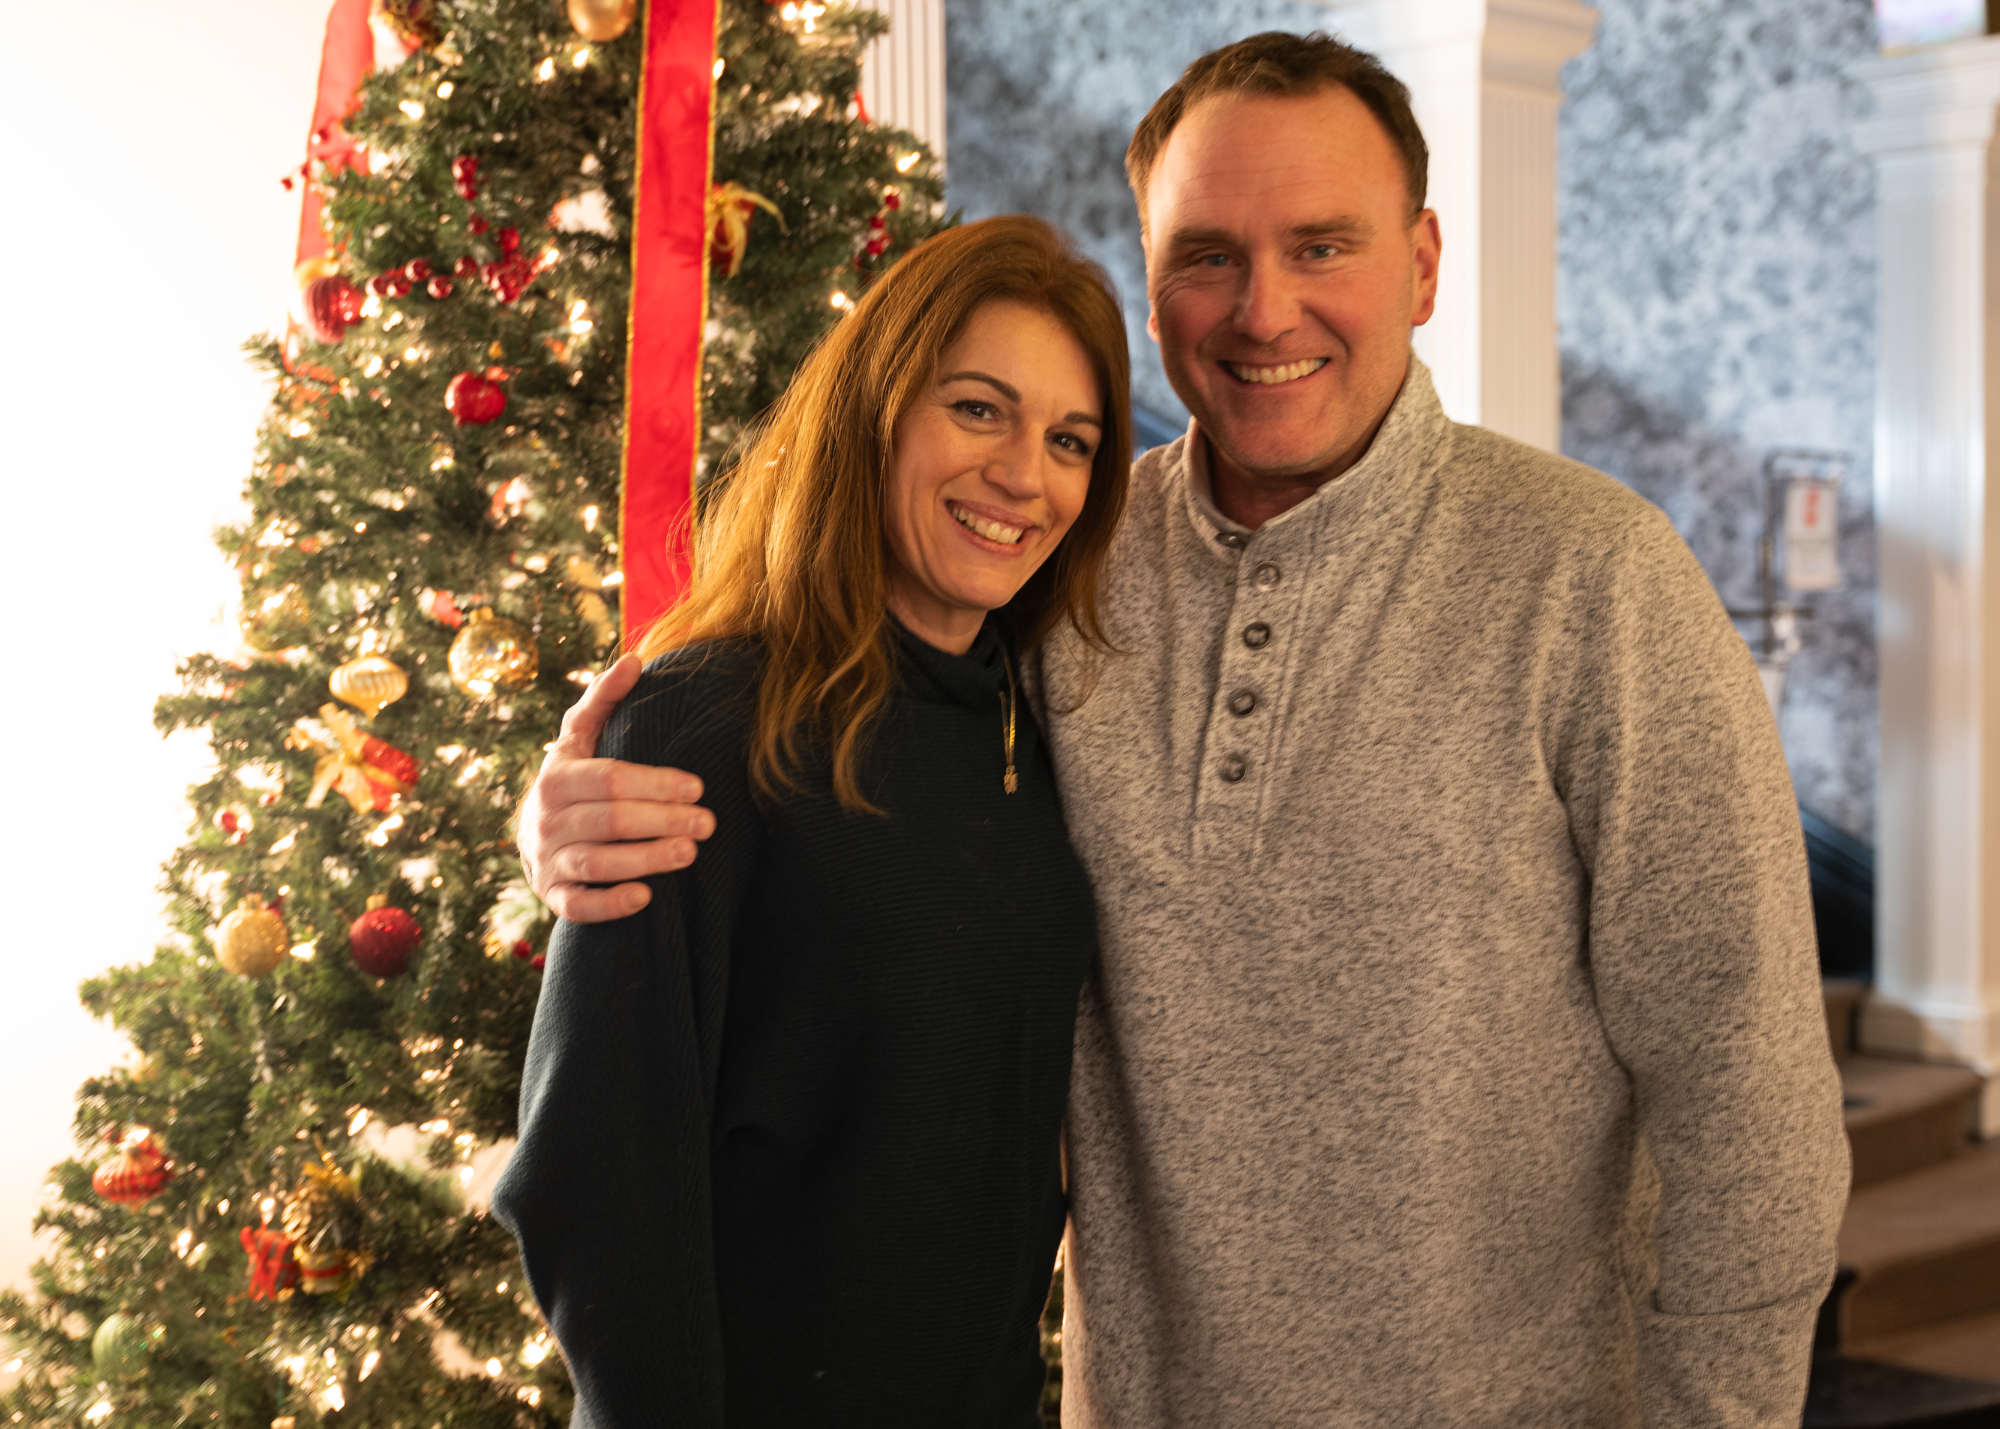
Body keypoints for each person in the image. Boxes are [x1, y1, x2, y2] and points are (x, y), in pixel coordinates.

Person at [516, 33, 1850, 1429]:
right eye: (1208, 255)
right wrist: (575, 815)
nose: (1264, 311)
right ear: (1154, 293)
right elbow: (854, 725)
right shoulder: (1064, 561)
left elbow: (1746, 1086)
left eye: (1323, 245)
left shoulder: (1598, 579)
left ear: (1426, 264)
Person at [490, 214, 1133, 1428]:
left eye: (1071, 440)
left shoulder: (1037, 719)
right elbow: (594, 1174)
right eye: (978, 409)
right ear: (875, 409)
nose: (1023, 475)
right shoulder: (700, 725)